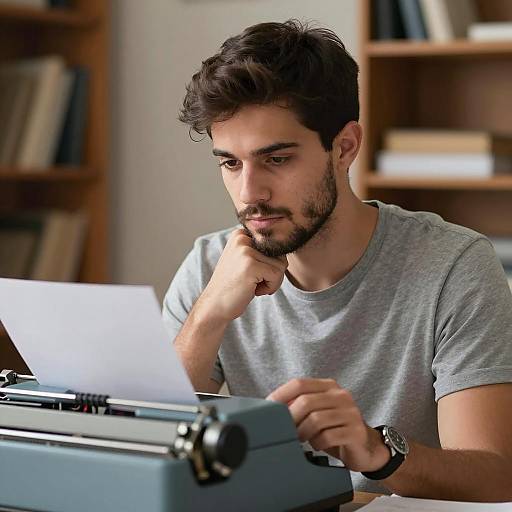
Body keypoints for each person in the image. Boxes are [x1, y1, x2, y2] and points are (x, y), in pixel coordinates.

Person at [163, 20, 512, 499]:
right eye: (231, 162)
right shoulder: (209, 265)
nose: (250, 194)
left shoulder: (454, 266)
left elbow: (494, 476)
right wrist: (210, 314)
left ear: (344, 147)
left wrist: (377, 451)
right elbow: (149, 451)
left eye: (277, 159)